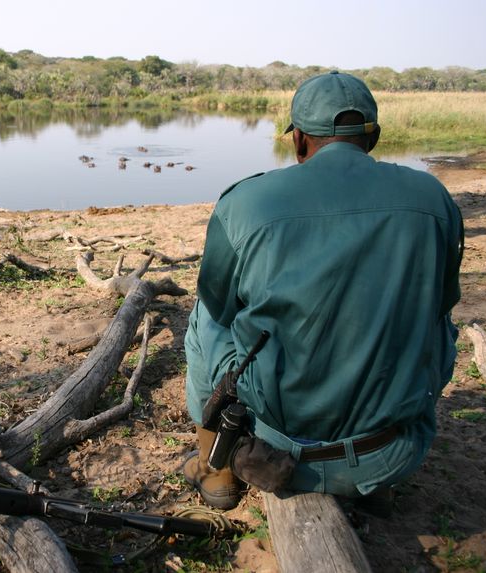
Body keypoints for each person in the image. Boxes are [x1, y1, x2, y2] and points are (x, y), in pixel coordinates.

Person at [182, 71, 463, 512]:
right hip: (393, 454)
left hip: (281, 450)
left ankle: (216, 466)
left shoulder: (247, 201)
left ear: (297, 141)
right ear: (373, 138)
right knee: (438, 320)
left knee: (205, 316)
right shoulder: (433, 198)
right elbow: (441, 307)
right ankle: (373, 463)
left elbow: (220, 307)